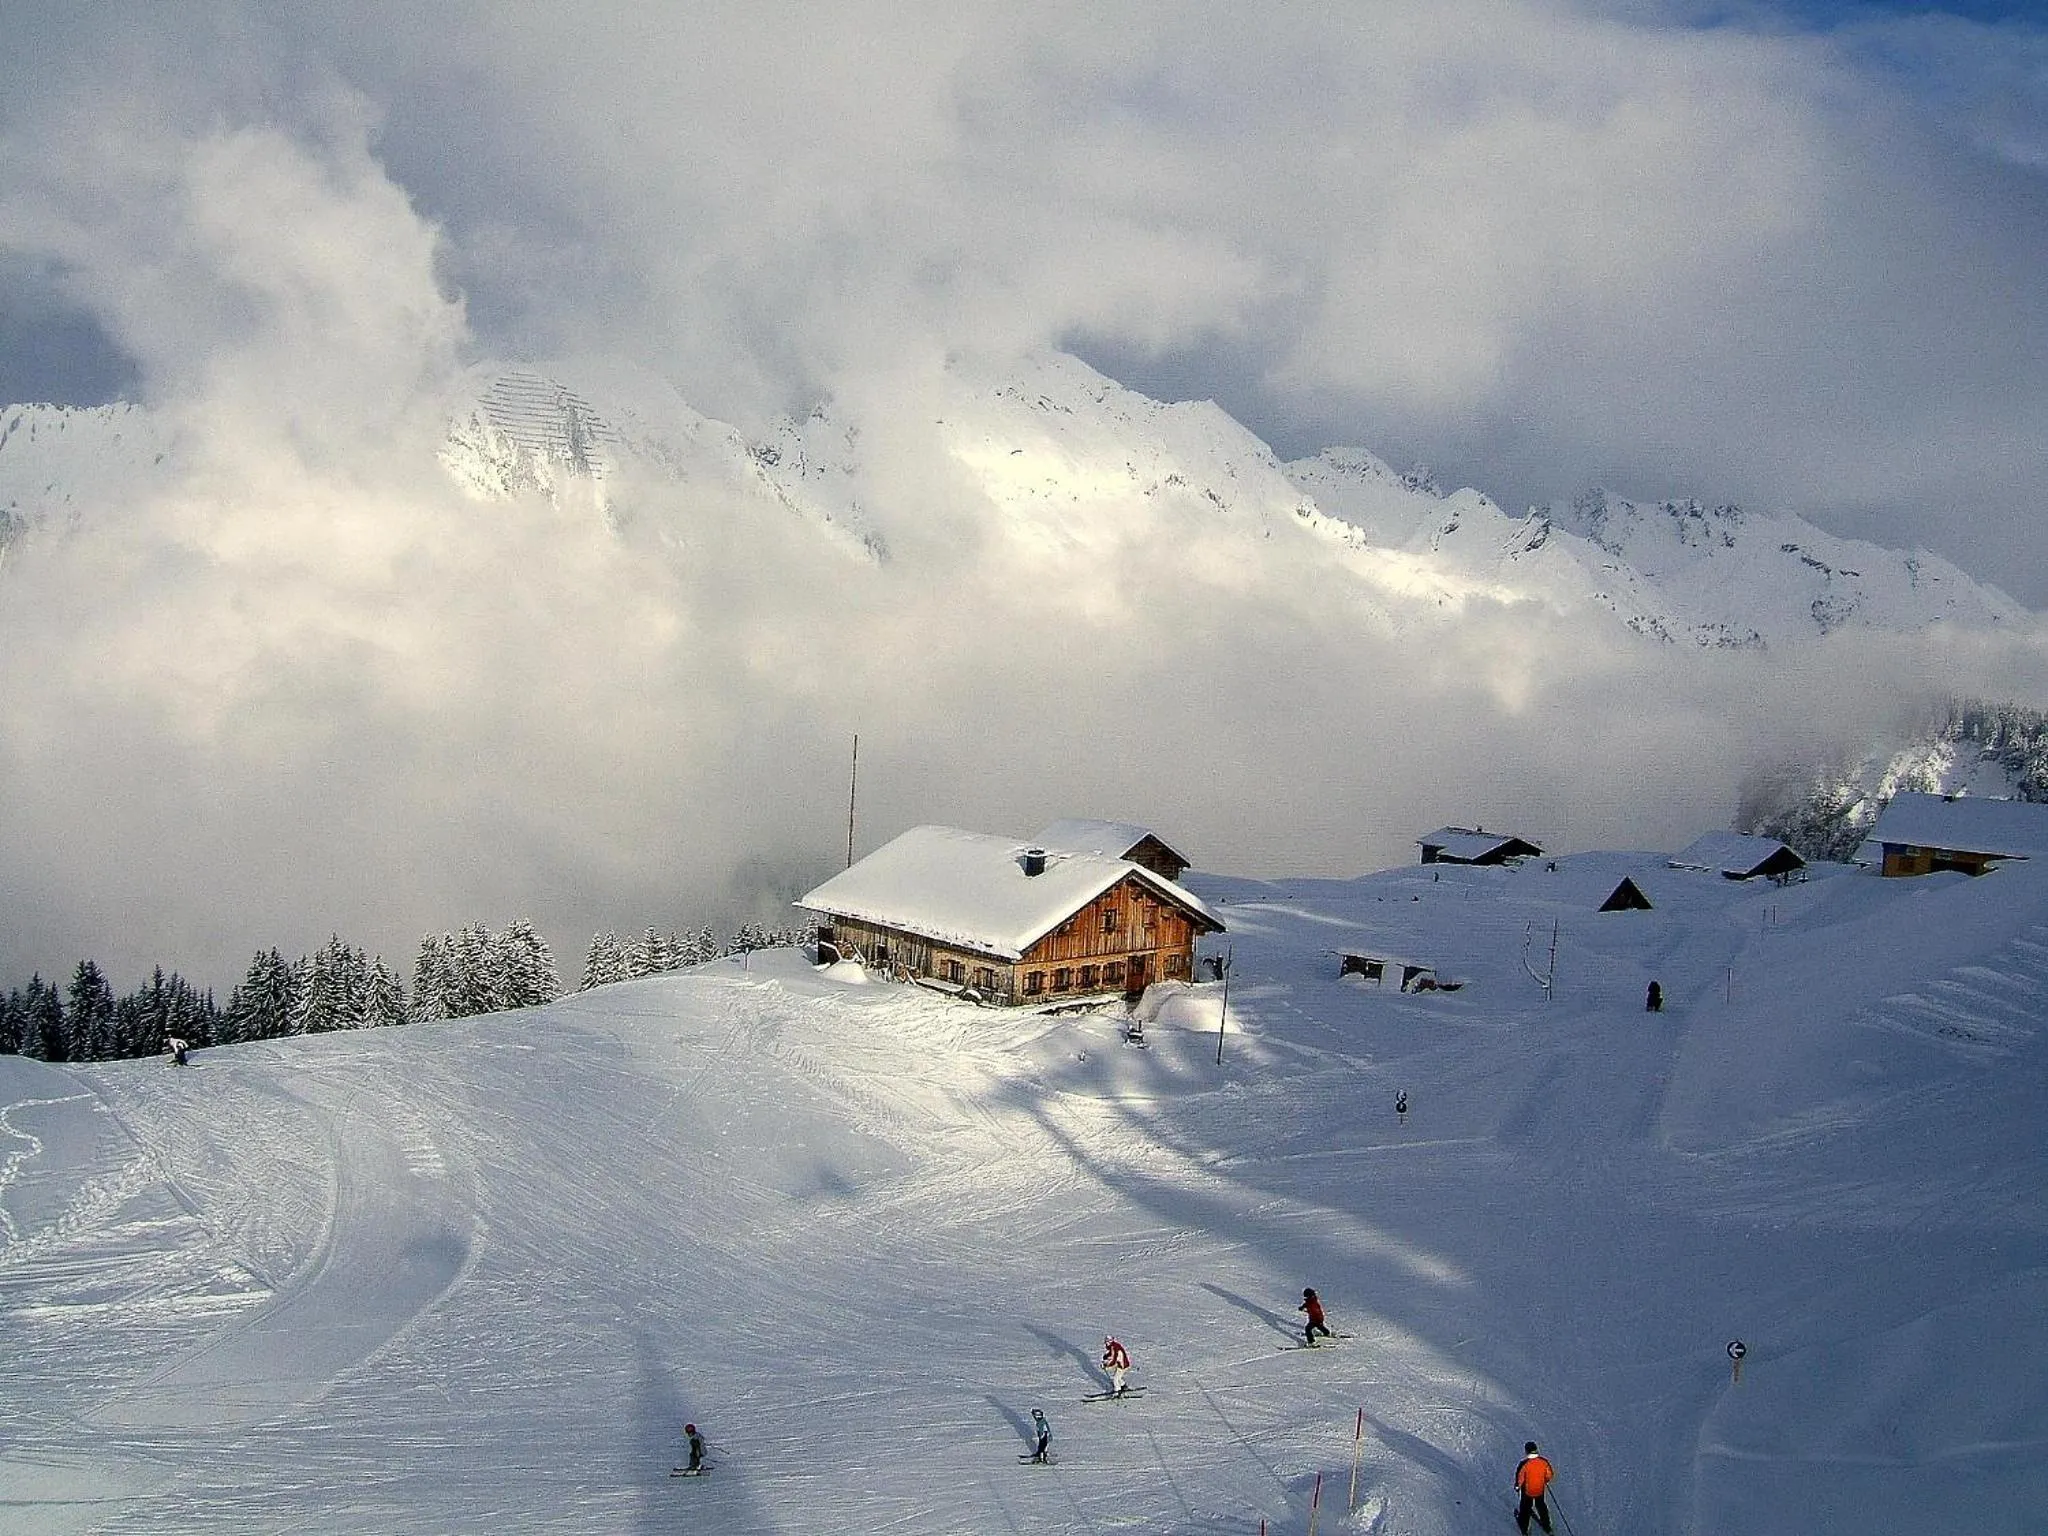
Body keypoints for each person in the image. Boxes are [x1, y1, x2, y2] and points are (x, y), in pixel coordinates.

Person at [1513, 1441, 1555, 1533]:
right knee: (1541, 1506)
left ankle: (1524, 1527)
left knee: (1525, 1507)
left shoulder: (1524, 1464)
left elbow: (1520, 1478)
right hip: (1539, 1490)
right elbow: (1549, 1475)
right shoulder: (1544, 1462)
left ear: (1527, 1451)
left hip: (1527, 1491)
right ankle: (1547, 1526)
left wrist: (1517, 1487)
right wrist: (1545, 1480)